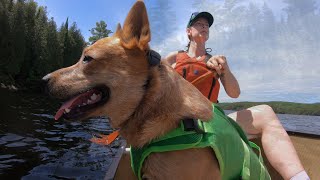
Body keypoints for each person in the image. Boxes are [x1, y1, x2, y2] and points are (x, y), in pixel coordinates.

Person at [162, 11, 309, 180]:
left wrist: (225, 70)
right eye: (199, 24)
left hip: (212, 120)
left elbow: (234, 93)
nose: (204, 27)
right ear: (188, 31)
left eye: (207, 25)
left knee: (266, 113)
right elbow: (155, 88)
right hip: (178, 121)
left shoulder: (217, 61)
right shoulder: (173, 58)